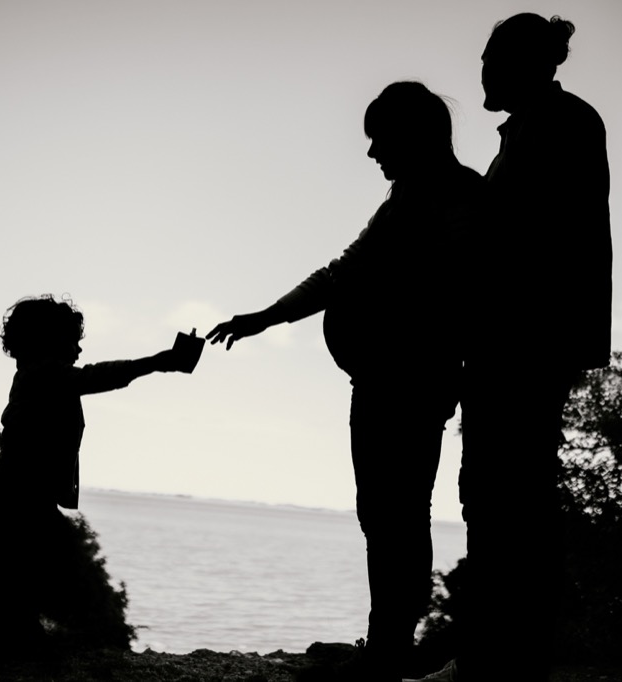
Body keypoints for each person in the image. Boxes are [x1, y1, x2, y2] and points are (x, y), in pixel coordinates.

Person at [207, 82, 485, 682]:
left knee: (400, 513)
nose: (371, 154)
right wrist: (266, 317)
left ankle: (387, 650)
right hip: (380, 381)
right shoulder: (402, 201)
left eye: (379, 140)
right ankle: (383, 641)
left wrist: (394, 324)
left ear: (411, 135)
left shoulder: (460, 199)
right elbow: (342, 272)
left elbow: (455, 292)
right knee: (382, 515)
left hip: (411, 385)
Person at [407, 13, 612, 682]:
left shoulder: (559, 127)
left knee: (507, 499)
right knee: (502, 496)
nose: (484, 73)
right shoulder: (533, 130)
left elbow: (527, 244)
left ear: (525, 64)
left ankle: (499, 659)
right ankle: (499, 655)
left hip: (525, 344)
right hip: (517, 342)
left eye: (493, 61)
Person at [0, 295, 204, 668]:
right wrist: (159, 362)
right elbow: (97, 376)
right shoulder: (43, 376)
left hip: (26, 496)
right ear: (47, 340)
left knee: (16, 573)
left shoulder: (40, 377)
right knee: (17, 572)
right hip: (23, 498)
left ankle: (9, 641)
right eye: (72, 339)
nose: (79, 347)